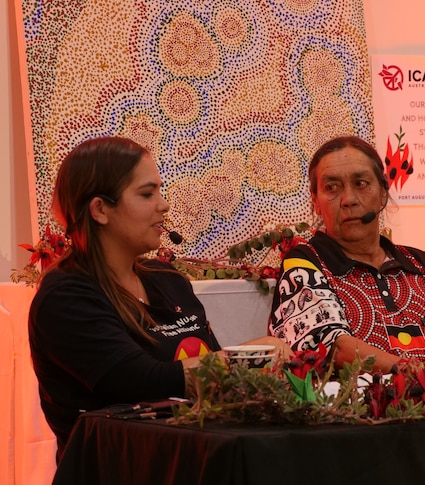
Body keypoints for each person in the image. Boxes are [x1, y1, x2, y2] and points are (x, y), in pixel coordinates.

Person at [28, 136, 290, 459]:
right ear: (100, 210)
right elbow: (144, 383)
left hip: (195, 462)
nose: (163, 205)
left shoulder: (168, 281)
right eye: (147, 194)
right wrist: (256, 356)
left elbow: (216, 382)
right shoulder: (65, 298)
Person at [269, 135, 425, 382]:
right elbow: (334, 346)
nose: (348, 199)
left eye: (361, 183)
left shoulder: (418, 262)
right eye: (331, 187)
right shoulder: (305, 263)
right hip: (364, 414)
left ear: (383, 193)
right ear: (315, 201)